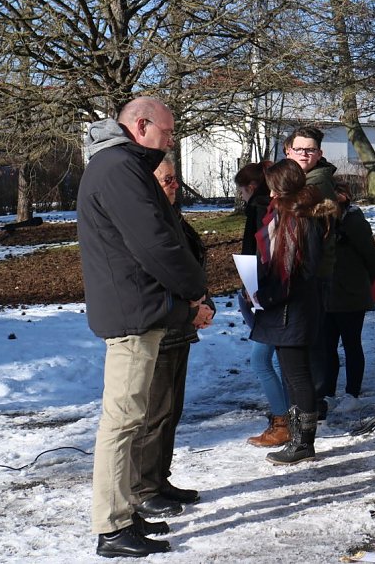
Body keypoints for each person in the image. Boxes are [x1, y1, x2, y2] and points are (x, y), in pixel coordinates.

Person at [78, 96, 208, 558]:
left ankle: (125, 512)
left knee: (131, 419)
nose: (171, 139)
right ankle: (111, 528)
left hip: (138, 307)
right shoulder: (118, 168)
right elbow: (155, 242)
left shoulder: (120, 165)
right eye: (168, 131)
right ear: (141, 124)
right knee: (123, 421)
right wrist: (195, 291)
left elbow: (158, 234)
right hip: (133, 313)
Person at [129, 157, 215, 519]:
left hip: (181, 326)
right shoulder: (147, 223)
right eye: (166, 180)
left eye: (175, 179)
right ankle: (143, 488)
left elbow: (191, 267)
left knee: (171, 411)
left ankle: (160, 479)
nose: (174, 185)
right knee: (155, 412)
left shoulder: (172, 218)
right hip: (158, 326)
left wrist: (202, 302)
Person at [249, 158, 338, 465]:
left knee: (297, 376)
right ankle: (300, 440)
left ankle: (302, 442)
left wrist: (264, 294)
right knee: (294, 374)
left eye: (272, 187)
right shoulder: (293, 214)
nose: (269, 193)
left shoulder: (296, 219)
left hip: (291, 309)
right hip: (289, 308)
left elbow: (296, 270)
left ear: (282, 188)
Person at [282, 126, 339, 422]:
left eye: (310, 150)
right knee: (303, 342)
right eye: (299, 149)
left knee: (310, 342)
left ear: (319, 154)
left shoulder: (316, 184)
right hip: (303, 272)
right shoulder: (299, 181)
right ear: (288, 150)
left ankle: (310, 406)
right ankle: (303, 405)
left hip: (312, 275)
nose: (304, 154)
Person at [234, 161, 292, 448]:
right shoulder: (272, 210)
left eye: (242, 191)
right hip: (270, 294)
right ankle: (287, 418)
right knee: (277, 359)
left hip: (267, 295)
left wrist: (251, 287)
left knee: (261, 360)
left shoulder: (260, 211)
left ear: (252, 187)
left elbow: (256, 253)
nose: (241, 197)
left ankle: (283, 421)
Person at [320, 184, 375, 412]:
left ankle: (352, 393)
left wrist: (359, 283)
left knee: (351, 344)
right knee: (327, 347)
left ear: (343, 198)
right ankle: (328, 393)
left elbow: (373, 260)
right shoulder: (324, 222)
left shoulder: (355, 223)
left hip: (351, 296)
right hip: (326, 295)